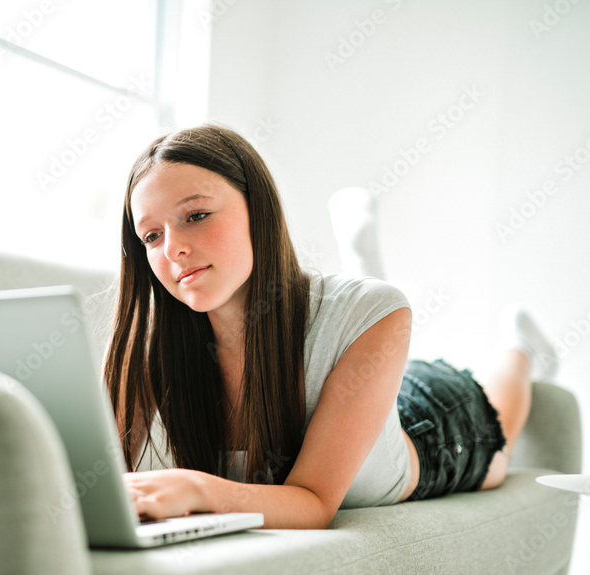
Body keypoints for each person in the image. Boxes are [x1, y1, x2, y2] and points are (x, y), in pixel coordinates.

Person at [102, 123, 558, 530]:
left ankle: (519, 342)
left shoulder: (381, 310)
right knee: (365, 320)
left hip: (429, 427)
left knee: (499, 438)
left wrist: (197, 490)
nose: (173, 249)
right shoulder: (145, 355)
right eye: (151, 236)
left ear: (257, 208)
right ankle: (363, 273)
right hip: (356, 368)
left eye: (196, 215)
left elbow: (315, 504)